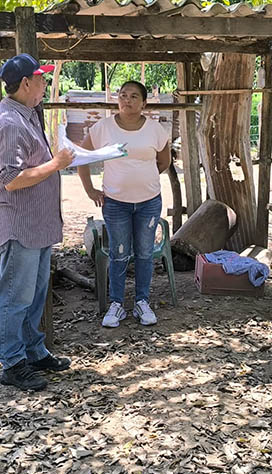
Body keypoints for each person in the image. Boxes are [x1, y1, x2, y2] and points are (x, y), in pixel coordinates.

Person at [0, 53, 74, 392]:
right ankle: (12, 362)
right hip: (21, 225)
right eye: (41, 79)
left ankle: (33, 352)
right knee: (15, 296)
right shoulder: (10, 123)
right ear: (25, 83)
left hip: (35, 224)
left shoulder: (25, 114)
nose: (45, 84)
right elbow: (12, 179)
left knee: (34, 294)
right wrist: (56, 164)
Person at [78, 80, 172, 328]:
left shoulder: (155, 130)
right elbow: (82, 157)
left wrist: (143, 179)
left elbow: (164, 161)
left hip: (149, 203)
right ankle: (117, 304)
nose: (127, 100)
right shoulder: (104, 127)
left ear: (144, 103)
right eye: (122, 95)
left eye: (133, 96)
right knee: (118, 253)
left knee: (144, 253)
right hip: (115, 203)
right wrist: (90, 190)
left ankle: (142, 302)